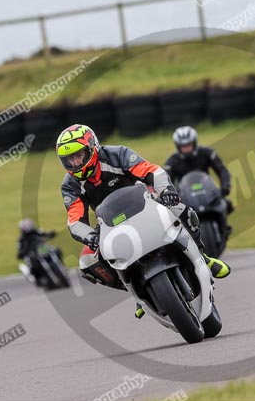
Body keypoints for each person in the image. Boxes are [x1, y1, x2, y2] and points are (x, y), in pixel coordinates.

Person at [57, 124, 230, 316]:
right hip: (110, 224)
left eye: (79, 155)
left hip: (145, 204)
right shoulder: (70, 185)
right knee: (87, 262)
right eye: (69, 160)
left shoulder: (117, 154)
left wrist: (166, 191)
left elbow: (152, 171)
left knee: (180, 208)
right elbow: (75, 221)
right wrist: (90, 236)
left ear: (92, 148)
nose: (75, 163)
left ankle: (204, 259)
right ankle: (136, 290)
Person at [164, 126, 232, 209]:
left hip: (208, 194)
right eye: (183, 146)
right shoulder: (171, 162)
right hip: (185, 199)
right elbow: (166, 181)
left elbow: (222, 170)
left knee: (228, 205)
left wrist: (225, 186)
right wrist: (173, 197)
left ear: (194, 143)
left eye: (189, 145)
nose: (186, 148)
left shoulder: (208, 153)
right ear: (178, 146)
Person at [16, 218, 58, 287]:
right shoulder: (21, 239)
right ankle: (37, 279)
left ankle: (59, 266)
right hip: (32, 255)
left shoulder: (37, 231)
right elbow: (20, 249)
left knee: (56, 250)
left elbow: (45, 234)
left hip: (41, 249)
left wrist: (51, 234)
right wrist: (21, 253)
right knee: (31, 266)